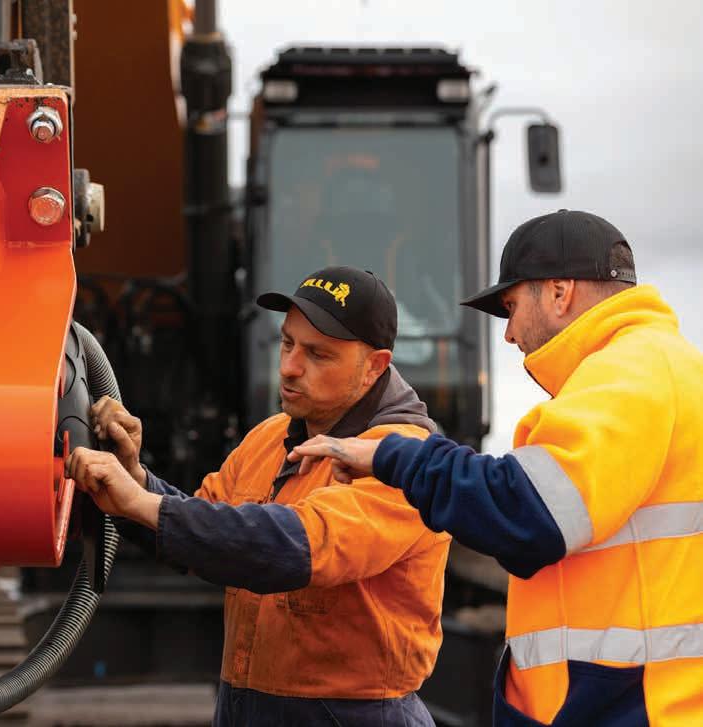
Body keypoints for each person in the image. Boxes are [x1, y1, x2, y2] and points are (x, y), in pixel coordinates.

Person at [289, 210, 703, 726]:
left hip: (633, 709)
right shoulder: (662, 367)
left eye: (511, 307)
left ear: (559, 293)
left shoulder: (631, 372)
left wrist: (391, 455)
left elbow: (527, 511)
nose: (508, 335)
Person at [68, 266, 450, 726]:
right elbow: (202, 529)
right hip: (246, 706)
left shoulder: (403, 459)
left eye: (318, 354)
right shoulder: (271, 437)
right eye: (287, 344)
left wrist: (142, 502)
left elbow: (296, 547)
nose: (288, 367)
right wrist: (133, 478)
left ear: (375, 366)